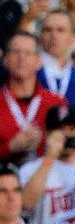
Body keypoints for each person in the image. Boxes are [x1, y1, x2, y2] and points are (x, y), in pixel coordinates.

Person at [0, 32, 68, 163]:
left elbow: (69, 149)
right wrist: (10, 147)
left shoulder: (57, 102)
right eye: (16, 52)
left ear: (38, 62)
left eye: (28, 53)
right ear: (6, 60)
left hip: (47, 179)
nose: (21, 58)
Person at [36, 10, 75, 108]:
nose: (54, 35)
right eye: (48, 30)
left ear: (73, 37)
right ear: (40, 35)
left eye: (60, 30)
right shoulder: (28, 74)